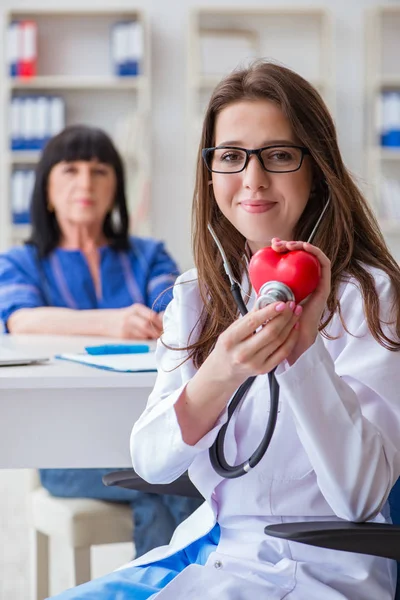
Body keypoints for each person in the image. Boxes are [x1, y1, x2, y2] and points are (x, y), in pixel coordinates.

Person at [50, 61, 400, 600]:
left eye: (279, 156)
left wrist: (304, 352)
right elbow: (151, 458)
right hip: (211, 552)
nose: (252, 180)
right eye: (231, 157)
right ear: (209, 172)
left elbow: (359, 497)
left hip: (314, 572)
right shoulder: (197, 294)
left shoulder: (370, 298)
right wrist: (221, 371)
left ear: (318, 168)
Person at [0, 124, 202, 558]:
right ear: (46, 190)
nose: (85, 183)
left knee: (164, 482)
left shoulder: (149, 256)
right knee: (173, 479)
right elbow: (20, 320)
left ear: (117, 187)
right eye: (70, 170)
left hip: (151, 433)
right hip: (65, 452)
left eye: (99, 171)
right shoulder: (20, 262)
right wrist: (111, 323)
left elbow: (177, 312)